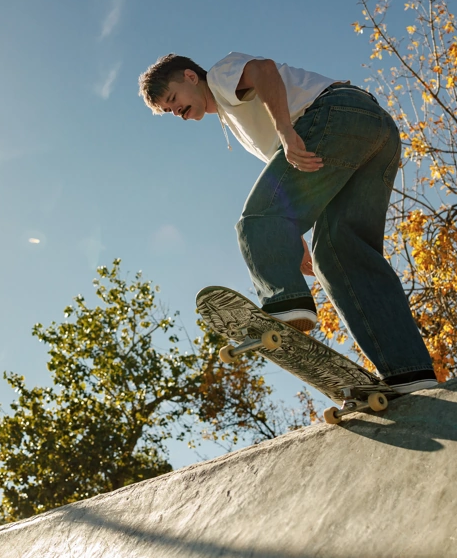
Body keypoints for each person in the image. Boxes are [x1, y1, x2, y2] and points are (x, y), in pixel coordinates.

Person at [138, 52, 437, 394]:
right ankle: (409, 371)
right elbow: (294, 185)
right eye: (169, 111)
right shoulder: (232, 115)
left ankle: (284, 302)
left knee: (257, 220)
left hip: (334, 114)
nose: (176, 112)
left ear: (191, 77)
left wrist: (284, 129)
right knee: (341, 255)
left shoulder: (220, 77)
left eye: (173, 99)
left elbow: (264, 70)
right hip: (375, 132)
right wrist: (291, 232)